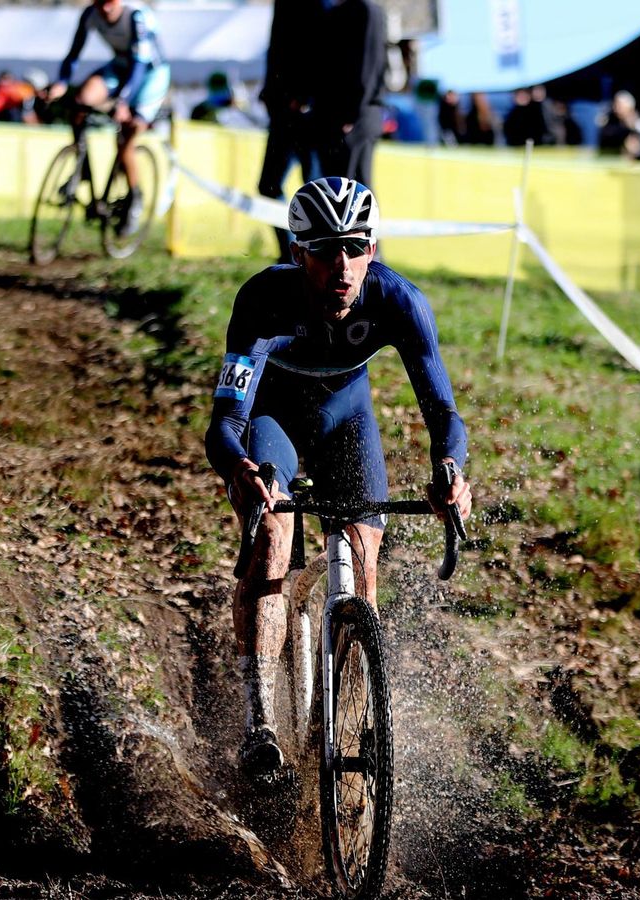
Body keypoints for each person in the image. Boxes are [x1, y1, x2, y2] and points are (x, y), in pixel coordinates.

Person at [204, 177, 472, 779]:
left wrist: (450, 470)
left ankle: (342, 721)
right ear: (297, 252)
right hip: (274, 418)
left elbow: (443, 413)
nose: (342, 266)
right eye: (325, 251)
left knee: (363, 561)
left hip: (347, 420)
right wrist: (239, 468)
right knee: (272, 539)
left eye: (355, 248)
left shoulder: (399, 300)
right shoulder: (264, 298)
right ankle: (259, 724)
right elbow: (226, 422)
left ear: (372, 249)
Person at [45, 0, 169, 237]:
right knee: (81, 101)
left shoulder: (136, 16)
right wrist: (61, 82)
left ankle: (134, 197)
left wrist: (122, 102)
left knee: (128, 135)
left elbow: (139, 65)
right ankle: (81, 168)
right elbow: (74, 52)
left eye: (110, 1)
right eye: (100, 2)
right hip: (120, 68)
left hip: (149, 74)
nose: (105, 8)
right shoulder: (90, 14)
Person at [258, 0, 322, 261]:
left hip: (307, 115)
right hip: (283, 112)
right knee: (269, 185)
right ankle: (292, 255)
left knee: (315, 191)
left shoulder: (316, 5)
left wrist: (305, 96)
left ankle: (313, 255)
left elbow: (320, 47)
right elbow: (278, 50)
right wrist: (269, 91)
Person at [315, 0, 387, 188]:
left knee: (353, 191)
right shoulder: (336, 11)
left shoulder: (364, 11)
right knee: (335, 188)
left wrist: (351, 113)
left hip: (354, 119)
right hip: (336, 117)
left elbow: (368, 66)